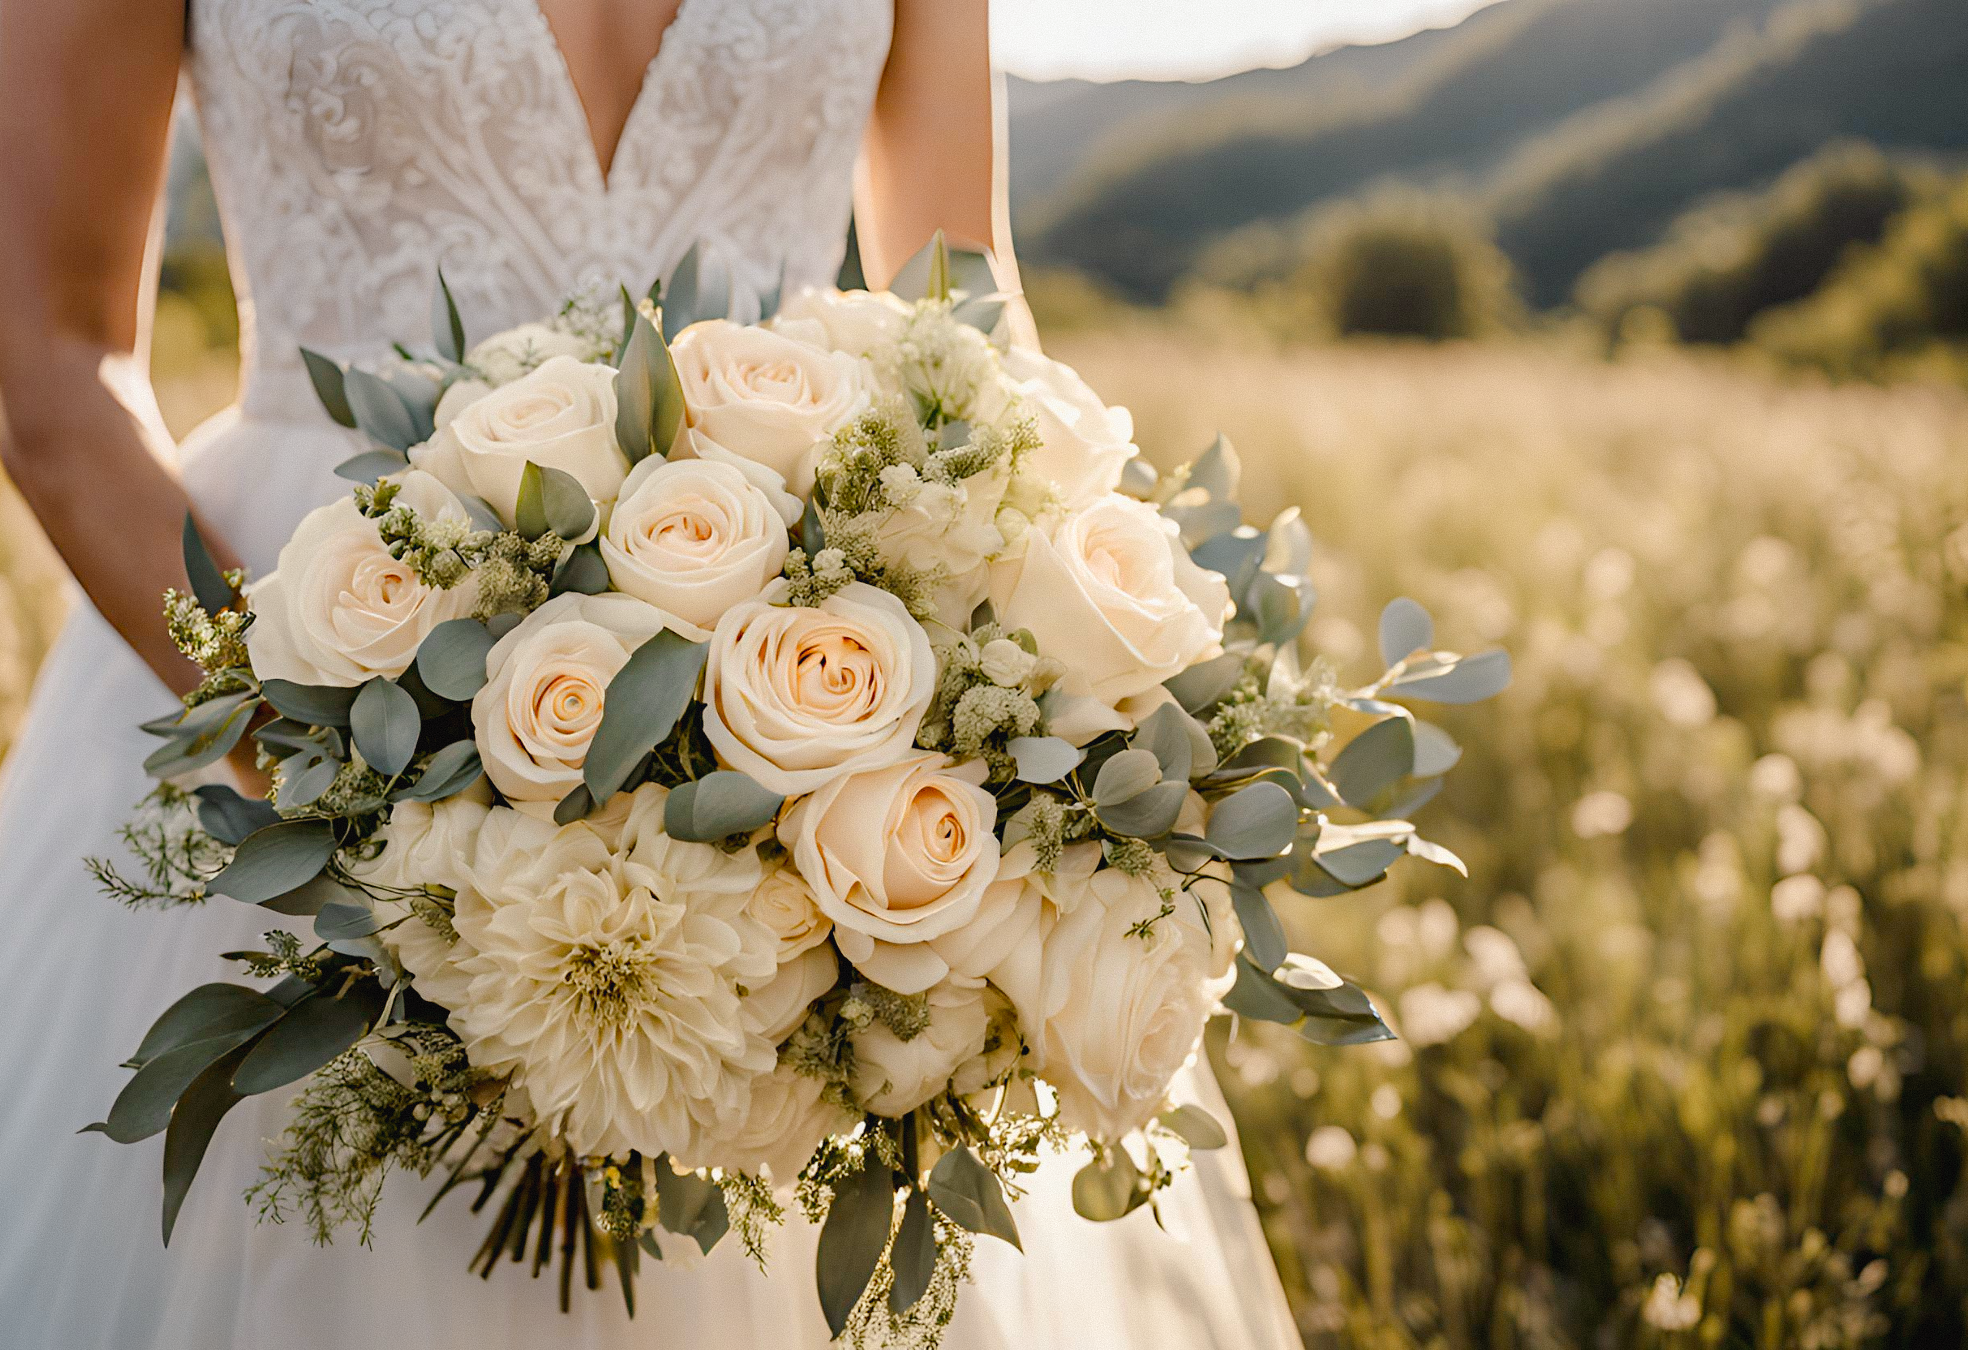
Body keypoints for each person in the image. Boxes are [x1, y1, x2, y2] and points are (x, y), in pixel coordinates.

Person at [0, 2, 1302, 1345]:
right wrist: (347, 792)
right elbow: (50, 357)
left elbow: (959, 304)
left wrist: (1034, 701)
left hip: (811, 671)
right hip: (306, 637)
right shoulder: (313, 739)